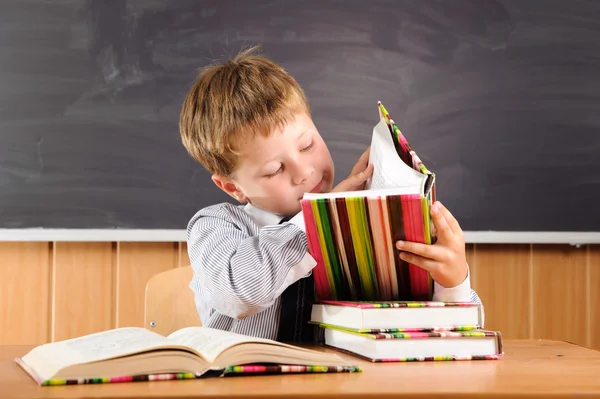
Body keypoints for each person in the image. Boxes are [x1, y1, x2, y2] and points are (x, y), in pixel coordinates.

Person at [179, 46, 481, 342]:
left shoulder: (367, 223)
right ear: (234, 187)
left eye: (307, 146)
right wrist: (322, 218)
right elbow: (238, 293)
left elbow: (445, 336)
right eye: (274, 169)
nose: (304, 172)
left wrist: (451, 283)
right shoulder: (215, 226)